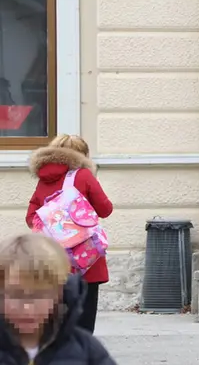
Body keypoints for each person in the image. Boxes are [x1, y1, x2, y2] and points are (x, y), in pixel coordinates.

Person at [26, 134, 113, 334]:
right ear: (82, 155)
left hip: (54, 257)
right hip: (85, 258)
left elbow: (31, 217)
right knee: (84, 313)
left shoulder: (43, 180)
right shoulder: (83, 175)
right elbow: (105, 209)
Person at [0, 233, 116, 364]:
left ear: (58, 294)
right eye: (16, 295)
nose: (27, 308)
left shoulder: (85, 349)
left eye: (39, 295)